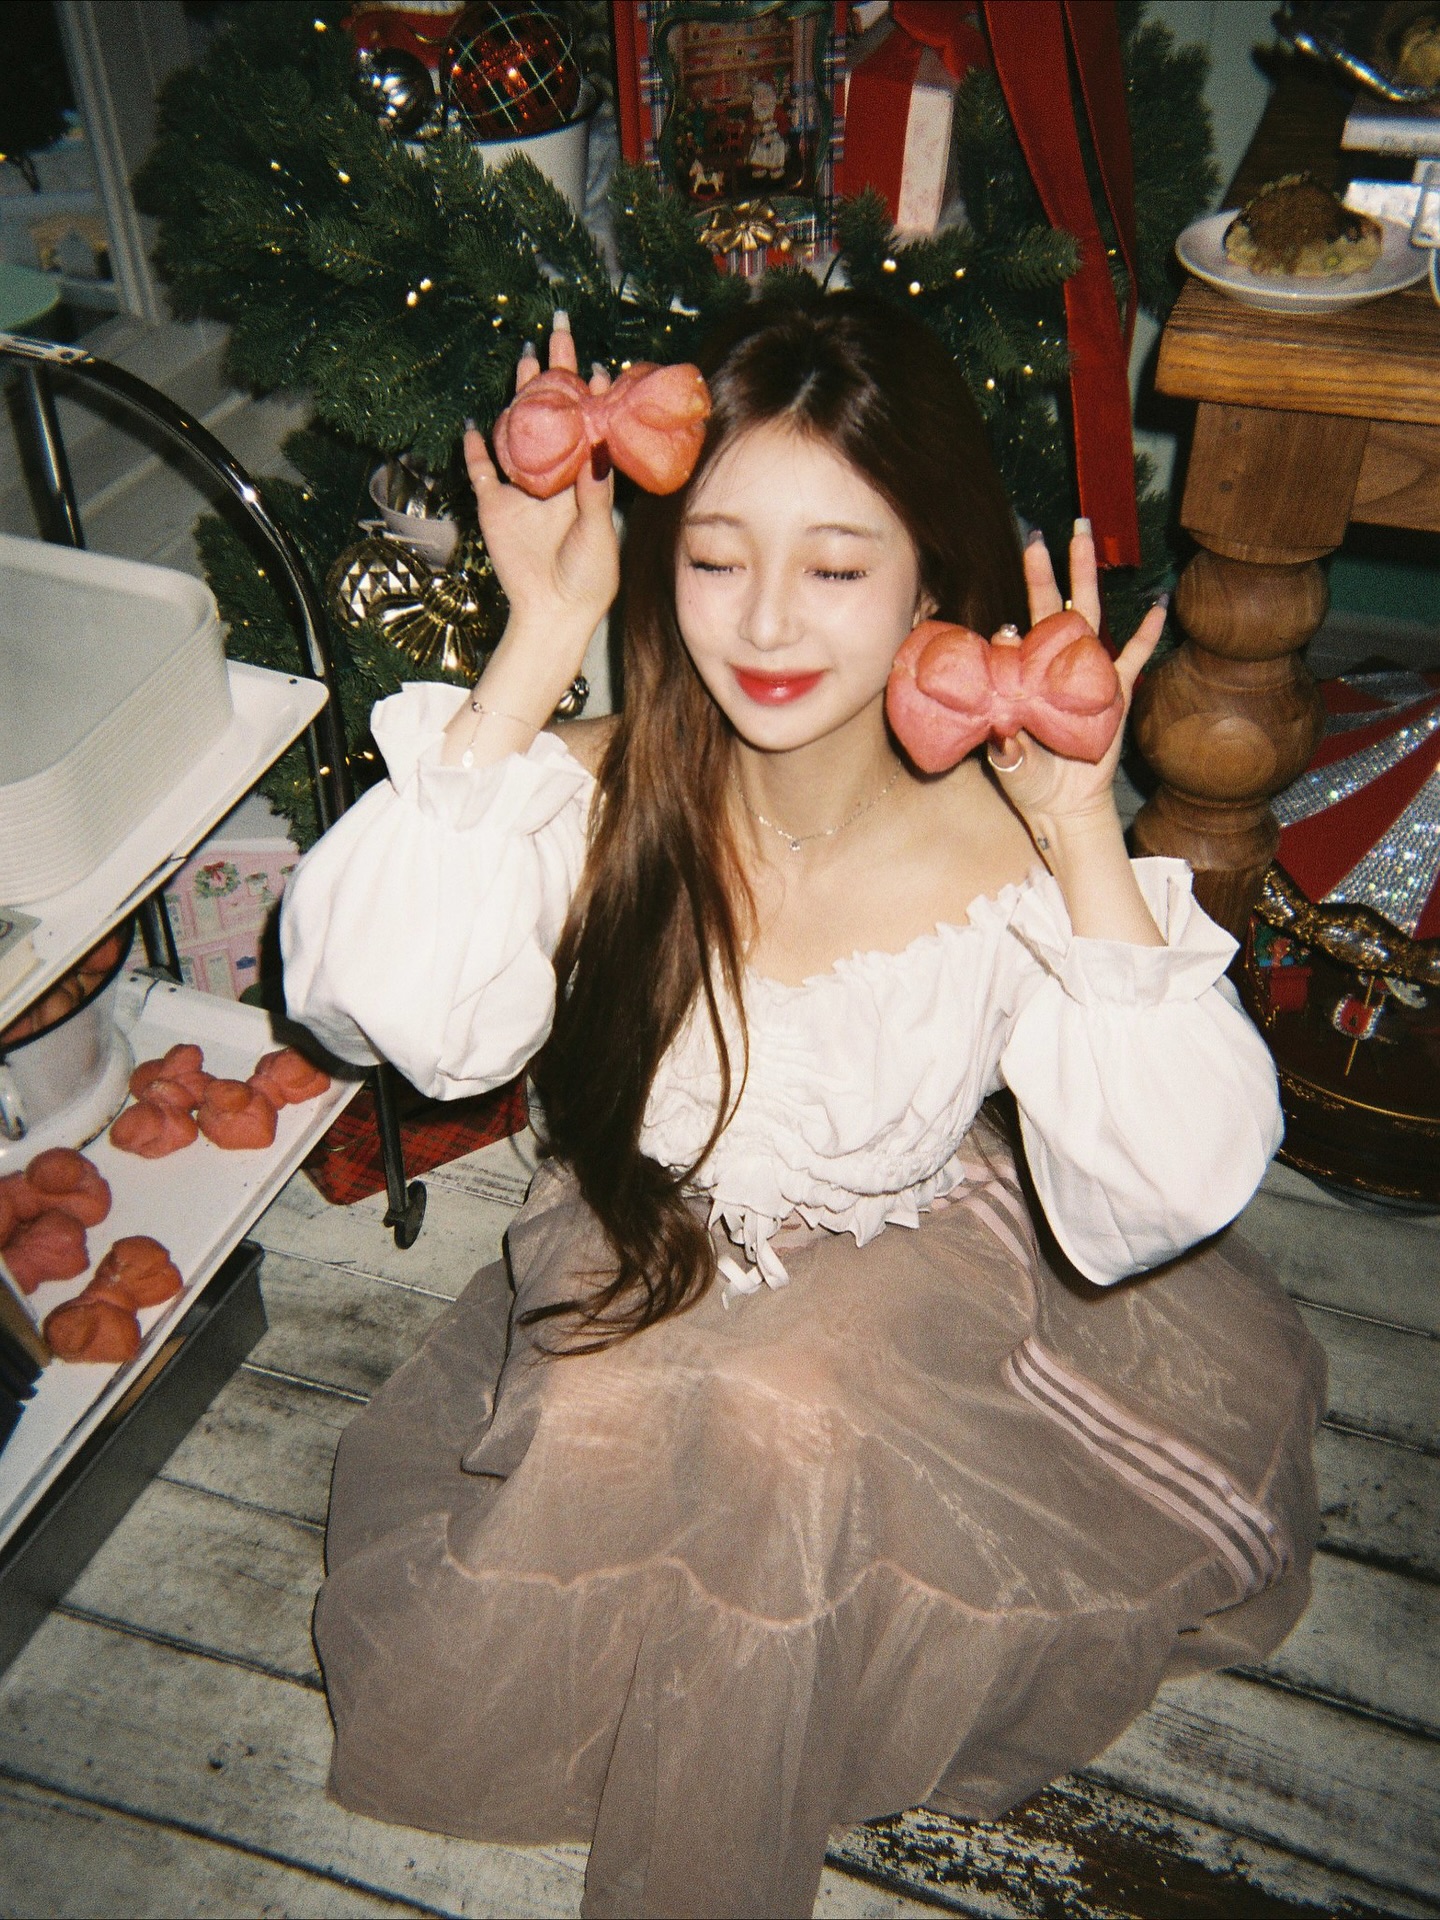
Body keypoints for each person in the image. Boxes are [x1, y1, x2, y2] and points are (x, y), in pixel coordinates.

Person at [280, 294, 1326, 1920]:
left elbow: (1173, 1178)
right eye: (715, 557)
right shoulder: (598, 789)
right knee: (611, 1432)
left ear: (932, 584)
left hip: (913, 1257)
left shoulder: (1008, 847)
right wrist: (539, 640)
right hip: (645, 1229)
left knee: (787, 1414)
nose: (767, 620)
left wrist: (1082, 833)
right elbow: (388, 1010)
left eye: (837, 568)